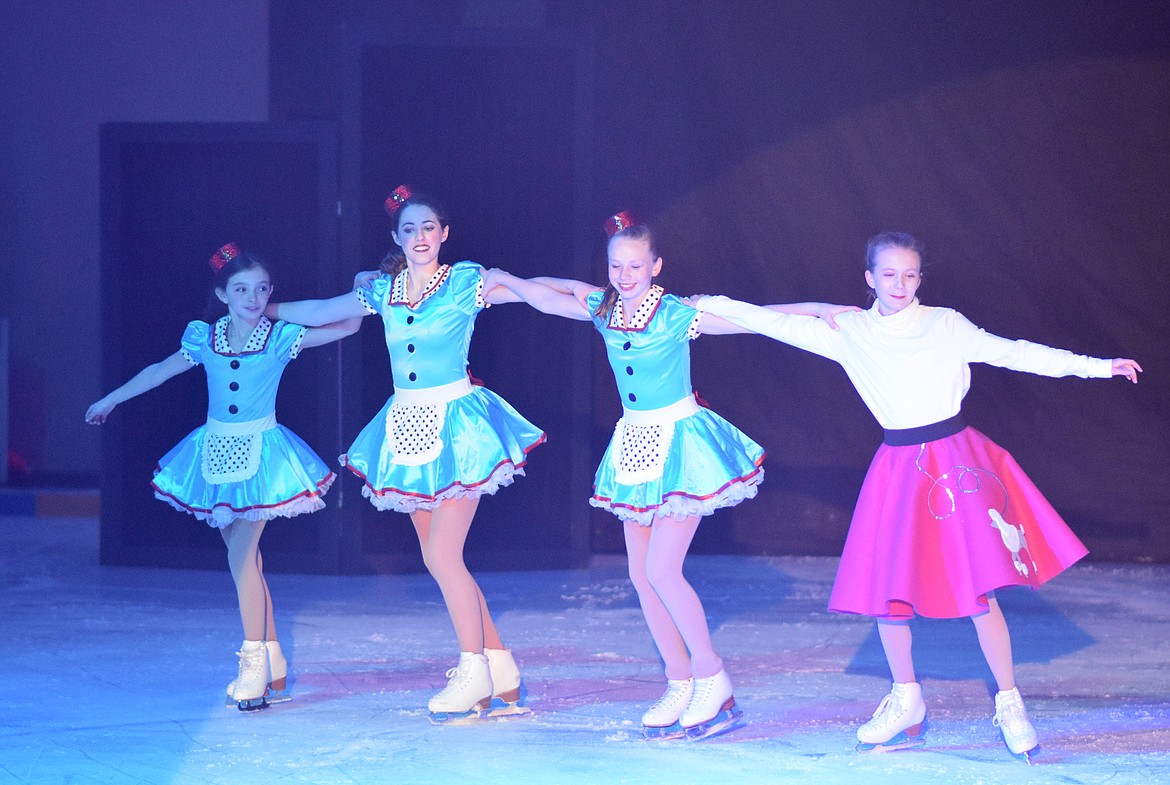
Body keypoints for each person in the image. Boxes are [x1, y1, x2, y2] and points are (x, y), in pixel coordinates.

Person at [692, 230, 1142, 760]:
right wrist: (711, 303)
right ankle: (906, 699)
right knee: (891, 589)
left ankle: (1009, 700)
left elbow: (1016, 353)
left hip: (956, 465)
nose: (899, 284)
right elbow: (774, 325)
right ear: (869, 279)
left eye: (909, 274)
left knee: (977, 589)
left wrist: (1095, 365)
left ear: (920, 278)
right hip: (899, 469)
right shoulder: (850, 332)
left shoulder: (945, 325)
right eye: (888, 274)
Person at [488, 211, 855, 740]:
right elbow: (552, 294)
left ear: (656, 266)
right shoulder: (602, 308)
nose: (626, 274)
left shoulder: (679, 313)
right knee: (640, 575)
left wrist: (818, 310)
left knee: (662, 570)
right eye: (617, 265)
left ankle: (713, 677)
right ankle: (679, 679)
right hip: (633, 445)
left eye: (636, 264)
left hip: (682, 443)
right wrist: (504, 277)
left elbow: (757, 316)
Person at [264, 186, 546, 723]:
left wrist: (595, 297)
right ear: (397, 237)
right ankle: (499, 664)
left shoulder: (466, 282)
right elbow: (326, 309)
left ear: (444, 233)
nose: (419, 237)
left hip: (460, 428)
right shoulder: (385, 290)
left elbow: (532, 292)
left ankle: (473, 672)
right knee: (438, 559)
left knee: (444, 557)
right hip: (406, 428)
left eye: (428, 228)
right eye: (409, 230)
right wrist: (262, 307)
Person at [86, 243, 360, 711]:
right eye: (241, 289)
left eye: (260, 289)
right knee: (245, 563)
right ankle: (271, 659)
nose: (253, 298)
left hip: (264, 456)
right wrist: (111, 398)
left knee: (241, 557)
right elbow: (158, 372)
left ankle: (253, 661)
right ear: (223, 293)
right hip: (213, 454)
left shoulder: (279, 336)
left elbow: (348, 325)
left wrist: (359, 290)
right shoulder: (203, 338)